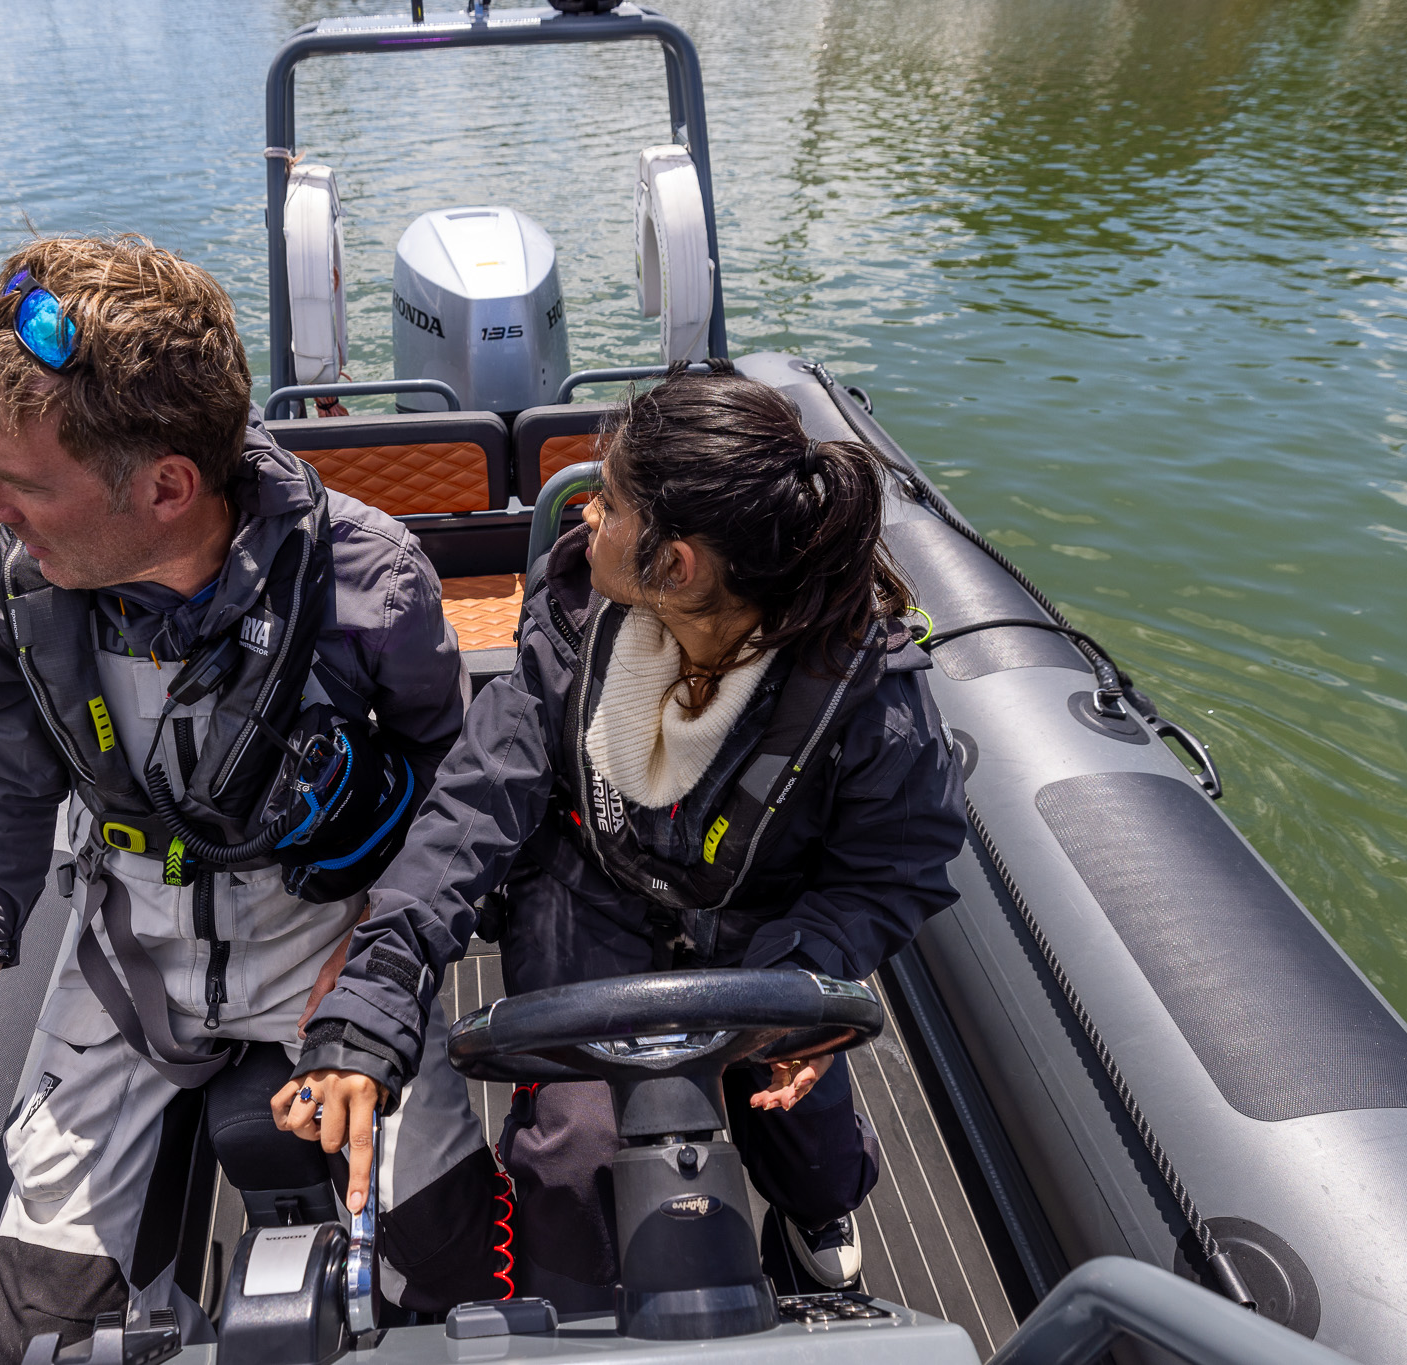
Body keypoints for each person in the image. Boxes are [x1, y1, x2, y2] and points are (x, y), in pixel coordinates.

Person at [0, 236, 505, 1361]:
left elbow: (450, 782)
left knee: (448, 1273)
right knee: (38, 1322)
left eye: (21, 483)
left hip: (320, 946)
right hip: (124, 954)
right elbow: (2, 787)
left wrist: (376, 969)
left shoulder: (370, 576)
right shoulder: (10, 586)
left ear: (166, 487)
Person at [278, 361, 967, 1304]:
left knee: (812, 1141)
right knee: (571, 1167)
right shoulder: (565, 632)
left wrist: (809, 963)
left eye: (608, 500)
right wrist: (367, 1012)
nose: (584, 516)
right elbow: (465, 820)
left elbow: (895, 869)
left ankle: (818, 1211)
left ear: (674, 565)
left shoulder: (869, 697)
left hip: (768, 928)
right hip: (588, 895)